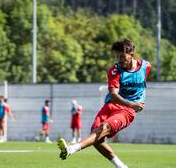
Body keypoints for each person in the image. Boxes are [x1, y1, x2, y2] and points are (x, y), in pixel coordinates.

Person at [57, 38, 152, 168]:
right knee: (96, 138)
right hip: (110, 106)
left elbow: (142, 80)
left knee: (103, 128)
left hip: (126, 111)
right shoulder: (114, 71)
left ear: (131, 55)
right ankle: (121, 166)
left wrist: (136, 103)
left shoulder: (146, 66)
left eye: (122, 56)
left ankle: (71, 149)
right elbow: (113, 94)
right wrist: (133, 104)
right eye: (117, 56)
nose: (119, 59)